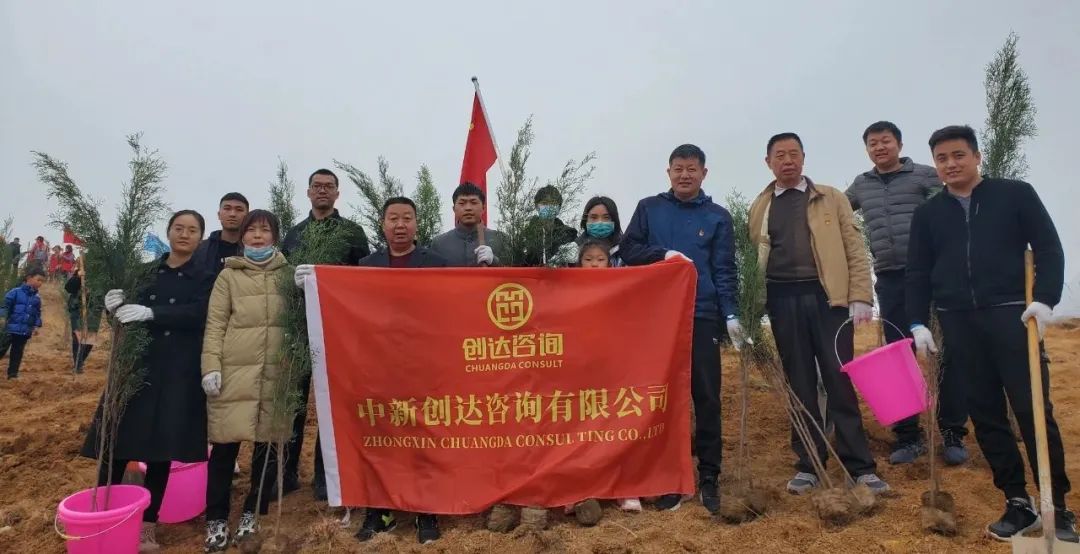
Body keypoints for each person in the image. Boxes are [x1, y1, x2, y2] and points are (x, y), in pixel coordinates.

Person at [907, 125, 1076, 543]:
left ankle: (1057, 505)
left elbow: (1049, 247)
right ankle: (1017, 500)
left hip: (1012, 317)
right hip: (958, 320)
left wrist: (1045, 300)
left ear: (977, 156)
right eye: (942, 158)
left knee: (1033, 409)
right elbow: (918, 271)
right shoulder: (928, 214)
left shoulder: (1015, 195)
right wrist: (917, 322)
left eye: (958, 155)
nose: (950, 164)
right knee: (984, 413)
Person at [748, 133, 889, 496]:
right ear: (768, 162)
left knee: (839, 380)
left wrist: (861, 296)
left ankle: (860, 467)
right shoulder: (761, 205)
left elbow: (854, 248)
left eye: (793, 154)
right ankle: (809, 464)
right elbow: (754, 259)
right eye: (780, 155)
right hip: (782, 300)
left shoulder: (830, 197)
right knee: (800, 383)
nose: (787, 161)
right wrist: (752, 306)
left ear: (804, 157)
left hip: (829, 301)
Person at [620, 143, 745, 514]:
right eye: (678, 168)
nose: (685, 175)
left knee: (706, 397)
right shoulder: (649, 208)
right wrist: (663, 255)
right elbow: (629, 249)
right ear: (668, 172)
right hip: (656, 319)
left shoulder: (718, 217)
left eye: (692, 169)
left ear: (704, 173)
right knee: (662, 398)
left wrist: (731, 314)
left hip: (701, 315)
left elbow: (725, 269)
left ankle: (709, 476)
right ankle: (669, 477)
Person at [80, 210, 213, 552]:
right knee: (117, 443)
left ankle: (147, 525)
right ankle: (103, 515)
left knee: (161, 449)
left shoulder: (205, 277)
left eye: (192, 230)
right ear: (168, 232)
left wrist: (153, 313)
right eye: (179, 228)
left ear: (200, 238)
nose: (184, 234)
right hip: (137, 366)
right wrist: (113, 307)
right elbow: (124, 317)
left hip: (178, 369)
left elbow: (199, 313)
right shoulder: (144, 273)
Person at [845, 121, 968, 466]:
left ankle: (952, 431)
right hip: (890, 277)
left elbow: (956, 203)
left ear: (899, 144)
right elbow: (837, 211)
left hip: (933, 275)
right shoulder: (861, 185)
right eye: (872, 143)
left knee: (948, 350)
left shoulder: (926, 175)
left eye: (885, 141)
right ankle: (909, 435)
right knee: (898, 355)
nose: (879, 147)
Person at [351, 197, 446, 544]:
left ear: (417, 224)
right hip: (379, 366)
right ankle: (380, 511)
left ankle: (426, 510)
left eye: (407, 218)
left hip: (423, 364)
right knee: (381, 436)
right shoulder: (365, 266)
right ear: (383, 224)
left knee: (423, 435)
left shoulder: (436, 264)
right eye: (393, 218)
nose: (400, 225)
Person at [201, 210, 294, 551]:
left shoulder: (289, 276)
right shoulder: (228, 276)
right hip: (234, 373)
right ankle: (216, 518)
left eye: (264, 230)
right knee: (225, 448)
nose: (257, 236)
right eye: (251, 230)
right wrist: (210, 366)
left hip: (276, 373)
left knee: (266, 450)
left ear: (275, 237)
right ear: (241, 238)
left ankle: (252, 513)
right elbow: (215, 325)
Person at [281, 169, 370, 502]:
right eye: (317, 186)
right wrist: (292, 281)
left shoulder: (352, 233)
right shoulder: (294, 234)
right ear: (308, 192)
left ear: (337, 193)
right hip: (298, 329)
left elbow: (362, 278)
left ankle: (324, 475)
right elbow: (281, 278)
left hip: (335, 330)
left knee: (330, 403)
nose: (322, 191)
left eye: (328, 186)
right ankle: (287, 473)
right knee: (294, 404)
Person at [429, 182, 510, 266]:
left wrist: (494, 261)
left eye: (474, 202)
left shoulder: (501, 239)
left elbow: (513, 270)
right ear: (454, 209)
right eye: (462, 203)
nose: (468, 208)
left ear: (483, 208)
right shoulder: (439, 243)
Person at [1, 268, 45, 379]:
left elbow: (37, 313)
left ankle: (12, 375)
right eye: (38, 280)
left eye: (42, 281)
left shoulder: (36, 298)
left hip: (24, 330)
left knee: (17, 352)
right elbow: (5, 306)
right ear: (29, 278)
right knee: (1, 348)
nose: (40, 283)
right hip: (9, 328)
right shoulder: (15, 292)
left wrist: (36, 325)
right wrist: (2, 318)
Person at [519, 185, 578, 267]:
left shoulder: (569, 234)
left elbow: (577, 264)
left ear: (559, 208)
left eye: (553, 203)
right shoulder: (526, 234)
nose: (549, 207)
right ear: (536, 206)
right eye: (545, 203)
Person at [194, 193, 249, 274]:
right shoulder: (199, 249)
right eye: (227, 208)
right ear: (219, 215)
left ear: (247, 216)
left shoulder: (256, 251)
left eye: (239, 209)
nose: (232, 214)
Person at [65, 267, 103, 374]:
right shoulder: (81, 270)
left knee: (89, 340)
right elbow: (68, 288)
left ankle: (80, 361)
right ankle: (78, 365)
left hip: (94, 311)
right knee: (78, 337)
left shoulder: (103, 273)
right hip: (78, 310)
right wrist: (78, 277)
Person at [574, 196, 624, 266]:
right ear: (586, 220)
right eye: (594, 217)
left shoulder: (626, 249)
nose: (600, 222)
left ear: (614, 220)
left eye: (606, 217)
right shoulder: (573, 249)